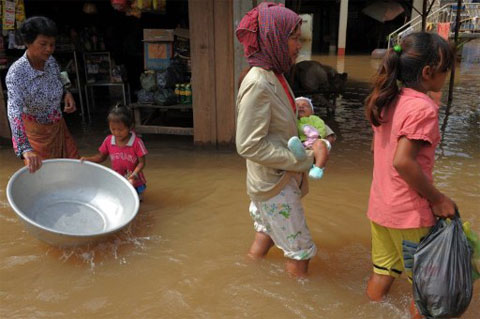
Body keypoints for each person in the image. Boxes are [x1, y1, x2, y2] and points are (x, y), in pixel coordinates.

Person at [364, 32, 457, 318]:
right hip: (410, 214)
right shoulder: (421, 108)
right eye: (445, 71)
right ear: (428, 72)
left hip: (381, 209)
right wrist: (438, 199)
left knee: (383, 273)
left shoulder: (388, 97)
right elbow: (403, 162)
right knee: (426, 289)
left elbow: (378, 149)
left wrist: (430, 100)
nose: (447, 76)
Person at [236, 3, 328, 277]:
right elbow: (248, 145)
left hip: (268, 181)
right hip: (275, 184)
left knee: (264, 236)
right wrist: (304, 160)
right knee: (301, 254)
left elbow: (276, 129)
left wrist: (312, 138)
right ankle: (297, 301)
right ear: (273, 37)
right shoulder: (259, 83)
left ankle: (246, 278)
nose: (298, 45)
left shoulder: (274, 73)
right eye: (294, 38)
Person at [6, 16, 79, 173]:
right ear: (28, 43)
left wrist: (67, 91)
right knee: (43, 176)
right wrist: (25, 149)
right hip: (36, 136)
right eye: (43, 44)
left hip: (58, 126)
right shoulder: (16, 74)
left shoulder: (50, 61)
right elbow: (14, 113)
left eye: (52, 44)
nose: (49, 49)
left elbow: (60, 73)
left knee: (73, 168)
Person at [80, 104, 147, 199]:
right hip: (118, 180)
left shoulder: (136, 142)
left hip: (135, 181)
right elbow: (101, 157)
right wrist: (87, 159)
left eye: (120, 130)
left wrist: (134, 174)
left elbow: (141, 163)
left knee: (136, 202)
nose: (116, 133)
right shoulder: (108, 140)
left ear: (130, 127)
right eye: (113, 129)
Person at [287, 96, 336, 179]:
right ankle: (301, 153)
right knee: (294, 142)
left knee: (320, 144)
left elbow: (330, 136)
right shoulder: (291, 121)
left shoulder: (316, 120)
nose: (301, 107)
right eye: (297, 105)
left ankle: (318, 168)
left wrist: (324, 147)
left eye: (305, 105)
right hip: (302, 145)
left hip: (316, 143)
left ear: (312, 111)